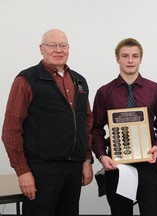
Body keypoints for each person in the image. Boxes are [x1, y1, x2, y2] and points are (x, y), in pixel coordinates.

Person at [1, 29, 94, 216]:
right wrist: (22, 171)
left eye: (63, 45)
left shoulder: (79, 81)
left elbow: (87, 123)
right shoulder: (26, 80)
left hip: (73, 168)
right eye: (52, 45)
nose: (58, 50)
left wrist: (86, 160)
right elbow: (11, 130)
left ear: (68, 49)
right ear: (41, 49)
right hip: (41, 171)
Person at [92, 38, 157, 216]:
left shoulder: (155, 89)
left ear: (140, 59)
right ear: (117, 59)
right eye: (125, 56)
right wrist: (102, 155)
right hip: (117, 166)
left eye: (135, 56)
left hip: (148, 164)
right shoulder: (105, 92)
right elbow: (96, 128)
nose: (130, 60)